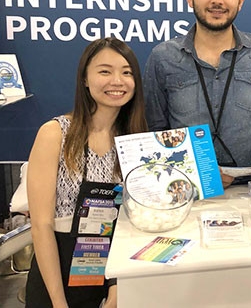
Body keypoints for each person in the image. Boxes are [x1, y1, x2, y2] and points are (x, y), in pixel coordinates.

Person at [26, 38, 148, 307]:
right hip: (58, 272)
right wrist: (58, 302)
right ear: (85, 78)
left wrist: (117, 285)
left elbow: (130, 222)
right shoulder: (55, 134)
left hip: (111, 269)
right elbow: (41, 226)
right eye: (105, 71)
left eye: (127, 72)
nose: (117, 81)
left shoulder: (134, 141)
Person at [143, 0, 251, 187]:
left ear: (240, 0)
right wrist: (193, 172)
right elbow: (154, 132)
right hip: (187, 191)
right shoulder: (163, 57)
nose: (217, 0)